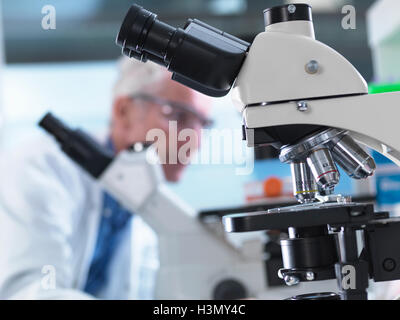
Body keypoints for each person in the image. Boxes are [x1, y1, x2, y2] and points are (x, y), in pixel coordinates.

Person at [0, 57, 212, 299]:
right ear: (124, 111)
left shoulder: (151, 208)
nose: (194, 141)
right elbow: (27, 293)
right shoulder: (41, 168)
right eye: (178, 117)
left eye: (203, 125)